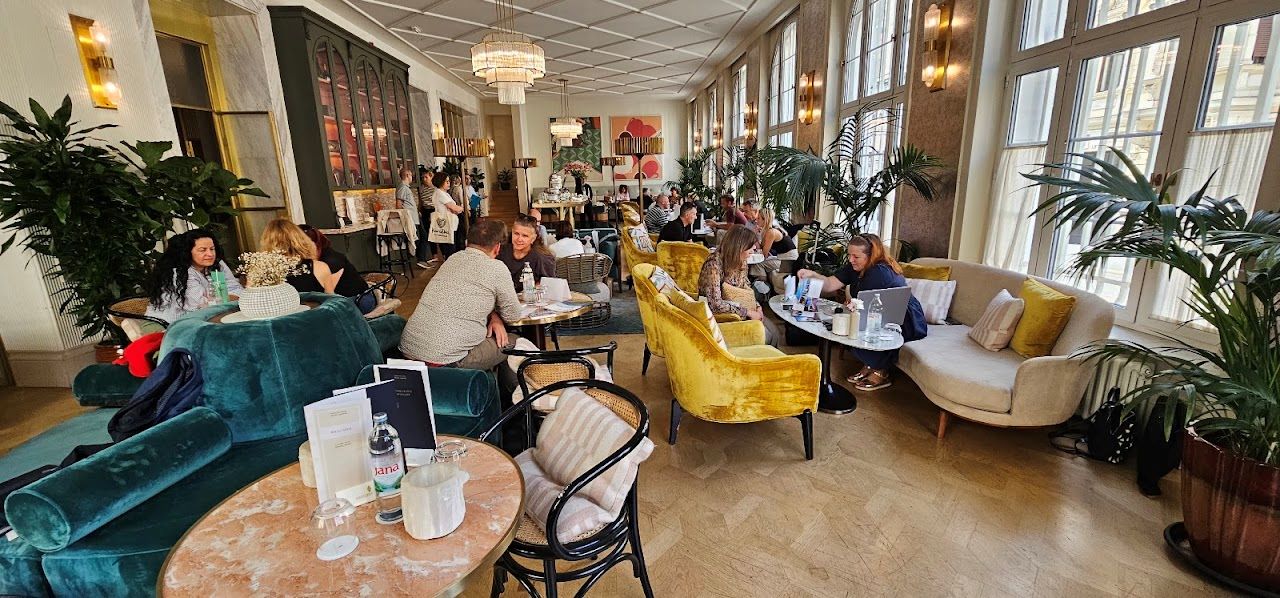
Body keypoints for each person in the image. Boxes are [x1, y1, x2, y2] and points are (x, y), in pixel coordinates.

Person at [399, 219, 524, 391]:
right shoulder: (496, 268)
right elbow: (513, 315)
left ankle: (493, 390)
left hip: (408, 351)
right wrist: (497, 316)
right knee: (516, 342)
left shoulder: (452, 259)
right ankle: (512, 399)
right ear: (497, 248)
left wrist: (493, 316)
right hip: (446, 361)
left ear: (467, 242)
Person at [795, 233, 927, 392]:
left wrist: (852, 305)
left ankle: (881, 370)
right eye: (849, 255)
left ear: (871, 255)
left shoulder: (879, 272)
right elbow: (830, 284)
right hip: (879, 311)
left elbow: (866, 305)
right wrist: (813, 275)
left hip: (905, 317)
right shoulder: (854, 267)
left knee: (859, 325)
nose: (851, 259)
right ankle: (870, 364)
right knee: (853, 323)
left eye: (856, 256)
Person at [144, 229, 244, 324]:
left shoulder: (217, 265)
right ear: (188, 252)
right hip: (168, 325)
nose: (210, 254)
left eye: (212, 249)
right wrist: (225, 298)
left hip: (205, 319)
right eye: (202, 250)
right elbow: (199, 305)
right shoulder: (180, 273)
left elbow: (237, 289)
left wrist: (220, 299)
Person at [300, 225, 375, 314]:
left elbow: (329, 296)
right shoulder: (307, 262)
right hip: (341, 299)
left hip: (359, 300)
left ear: (312, 245)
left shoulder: (332, 260)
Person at [698, 224, 764, 322]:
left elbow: (746, 288)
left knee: (766, 327)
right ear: (739, 247)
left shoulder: (742, 261)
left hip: (737, 311)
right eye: (750, 245)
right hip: (716, 318)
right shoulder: (713, 264)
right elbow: (715, 305)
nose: (754, 248)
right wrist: (748, 312)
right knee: (763, 330)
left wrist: (757, 306)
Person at [259, 219, 342, 295]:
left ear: (267, 243)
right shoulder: (319, 267)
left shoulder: (262, 272)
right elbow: (331, 301)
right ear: (299, 239)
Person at [498, 214, 555, 291]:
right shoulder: (500, 251)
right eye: (516, 234)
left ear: (533, 238)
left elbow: (548, 285)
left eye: (525, 236)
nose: (519, 239)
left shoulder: (541, 258)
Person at [750, 208, 798, 280]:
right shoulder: (768, 230)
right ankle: (760, 283)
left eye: (758, 218)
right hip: (781, 258)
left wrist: (754, 235)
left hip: (788, 261)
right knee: (757, 263)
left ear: (765, 219)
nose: (756, 220)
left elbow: (764, 254)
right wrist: (755, 235)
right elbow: (761, 249)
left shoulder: (771, 232)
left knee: (757, 264)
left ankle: (761, 284)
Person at [426, 171, 463, 261]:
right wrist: (461, 208)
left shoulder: (444, 193)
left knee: (453, 248)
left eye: (449, 181)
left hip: (451, 224)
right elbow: (454, 208)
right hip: (447, 224)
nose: (449, 183)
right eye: (446, 181)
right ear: (440, 182)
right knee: (451, 250)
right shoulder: (440, 193)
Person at [395, 166, 427, 268]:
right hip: (411, 219)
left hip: (415, 217)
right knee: (418, 238)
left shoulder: (406, 187)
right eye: (411, 175)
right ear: (407, 175)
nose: (412, 177)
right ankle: (420, 259)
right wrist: (404, 216)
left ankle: (421, 259)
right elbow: (399, 204)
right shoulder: (403, 188)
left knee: (422, 236)